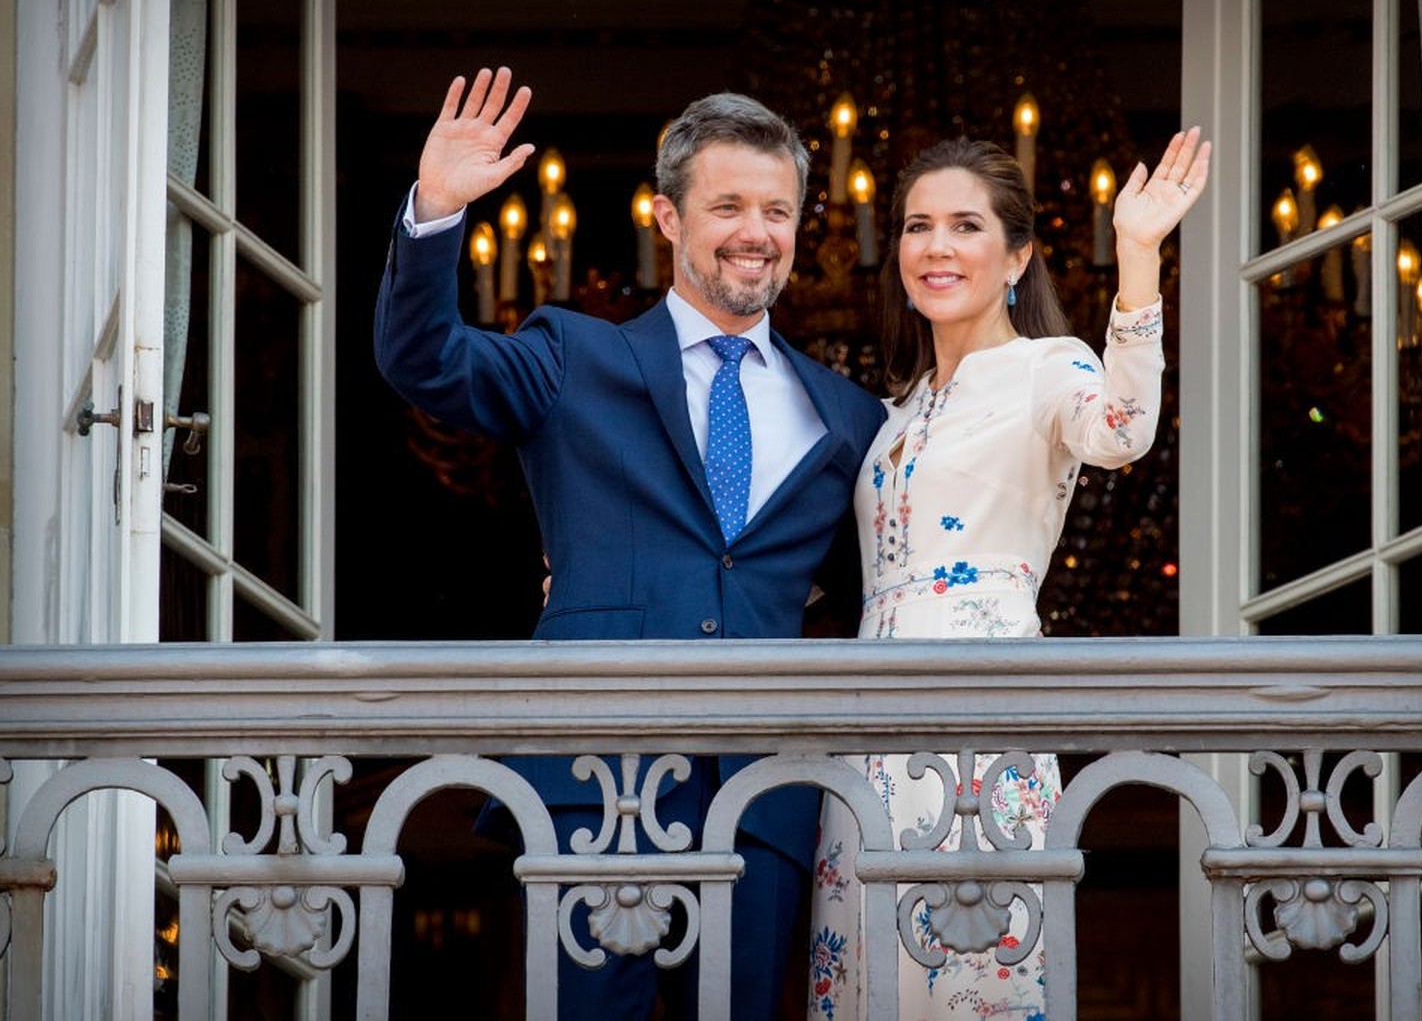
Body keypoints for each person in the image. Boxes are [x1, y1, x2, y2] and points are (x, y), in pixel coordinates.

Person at [373, 67, 887, 1019]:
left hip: (763, 800)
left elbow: (874, 595)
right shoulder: (575, 354)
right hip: (589, 780)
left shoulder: (849, 416)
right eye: (727, 204)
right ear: (666, 218)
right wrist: (436, 209)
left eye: (777, 209)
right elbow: (424, 361)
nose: (755, 232)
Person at [807, 130, 1210, 1019]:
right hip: (864, 722)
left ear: (1018, 254)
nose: (936, 247)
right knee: (871, 980)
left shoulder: (1046, 368)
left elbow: (1123, 429)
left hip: (979, 718)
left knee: (971, 979)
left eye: (964, 225)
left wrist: (1137, 257)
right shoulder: (894, 409)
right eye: (917, 226)